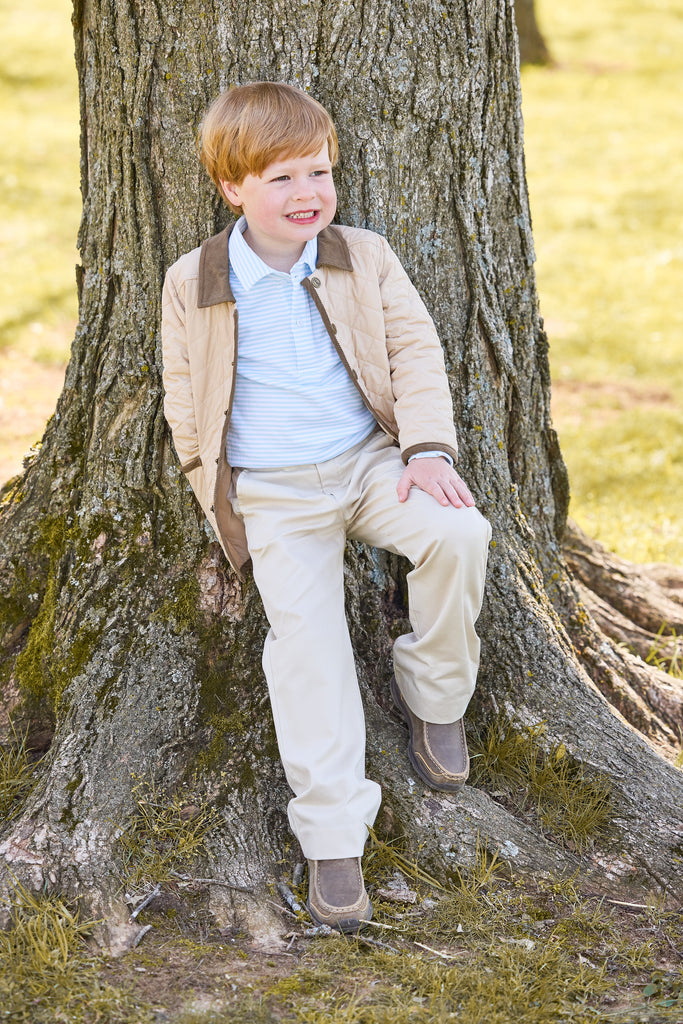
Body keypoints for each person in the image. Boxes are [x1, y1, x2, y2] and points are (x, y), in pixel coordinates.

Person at [161, 81, 491, 933]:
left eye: (318, 172)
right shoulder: (192, 280)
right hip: (272, 493)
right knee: (306, 650)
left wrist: (423, 450)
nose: (307, 194)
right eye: (280, 179)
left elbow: (416, 350)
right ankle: (333, 836)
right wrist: (212, 479)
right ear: (231, 188)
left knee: (459, 533)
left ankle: (437, 697)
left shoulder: (361, 255)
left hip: (369, 463)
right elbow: (182, 392)